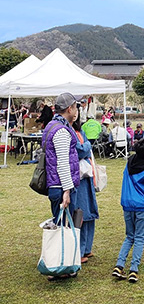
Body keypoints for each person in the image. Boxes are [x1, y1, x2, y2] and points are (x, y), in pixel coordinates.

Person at [42, 92, 80, 280]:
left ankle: (59, 264)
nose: (78, 110)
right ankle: (60, 266)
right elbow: (62, 163)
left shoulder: (51, 126)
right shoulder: (62, 132)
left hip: (54, 185)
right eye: (76, 106)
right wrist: (67, 190)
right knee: (63, 226)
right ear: (69, 109)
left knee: (59, 225)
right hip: (61, 185)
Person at [112, 138, 144, 283]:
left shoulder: (130, 162)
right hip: (141, 206)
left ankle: (119, 265)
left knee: (129, 236)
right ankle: (134, 269)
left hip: (127, 204)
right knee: (139, 237)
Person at [72, 106, 99, 264]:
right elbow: (81, 150)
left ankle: (87, 248)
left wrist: (86, 146)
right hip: (79, 177)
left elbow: (85, 147)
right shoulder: (68, 132)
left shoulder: (79, 130)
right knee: (81, 213)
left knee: (89, 212)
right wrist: (87, 146)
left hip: (87, 175)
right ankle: (80, 250)